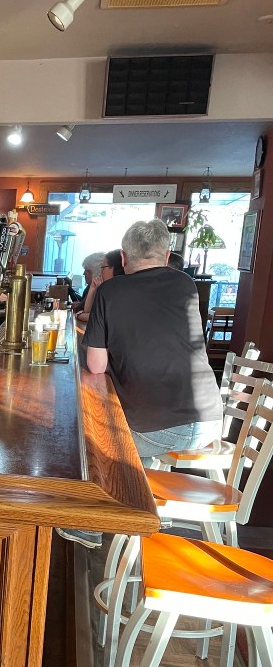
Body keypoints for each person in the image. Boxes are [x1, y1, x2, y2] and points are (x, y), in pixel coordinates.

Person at [58, 219, 222, 549]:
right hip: (209, 420)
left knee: (84, 438)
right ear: (166, 254)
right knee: (127, 427)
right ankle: (136, 507)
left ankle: (91, 524)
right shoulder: (185, 285)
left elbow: (96, 365)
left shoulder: (111, 291)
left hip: (161, 427)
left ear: (124, 256)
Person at [75, 248, 124, 324]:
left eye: (103, 268)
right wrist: (92, 288)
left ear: (115, 268)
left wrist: (80, 315)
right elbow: (88, 311)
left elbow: (103, 317)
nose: (101, 272)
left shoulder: (120, 290)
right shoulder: (106, 288)